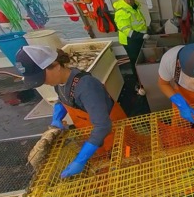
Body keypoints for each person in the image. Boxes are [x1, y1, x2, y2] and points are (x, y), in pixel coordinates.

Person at [15, 45, 127, 178]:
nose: (43, 82)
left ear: (56, 66)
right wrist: (57, 118)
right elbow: (63, 99)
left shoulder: (86, 86)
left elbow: (103, 126)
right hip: (95, 139)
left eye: (42, 77)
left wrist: (80, 159)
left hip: (115, 136)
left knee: (125, 165)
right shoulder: (60, 82)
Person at [113, 0, 149, 95]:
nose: (129, 1)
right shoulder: (121, 12)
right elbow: (126, 30)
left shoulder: (134, 6)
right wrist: (142, 35)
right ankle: (138, 84)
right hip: (130, 40)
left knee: (140, 58)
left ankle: (144, 77)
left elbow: (138, 22)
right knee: (135, 62)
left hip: (138, 38)